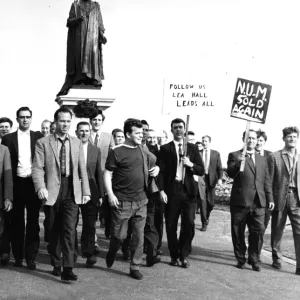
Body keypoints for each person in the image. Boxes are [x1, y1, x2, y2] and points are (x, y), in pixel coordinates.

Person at [32, 106, 90, 281]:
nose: (65, 124)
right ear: (55, 122)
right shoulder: (43, 142)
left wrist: (86, 191)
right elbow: (37, 168)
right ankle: (56, 262)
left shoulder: (77, 142)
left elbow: (82, 169)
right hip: (51, 190)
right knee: (52, 229)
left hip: (71, 190)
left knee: (69, 229)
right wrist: (40, 187)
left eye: (68, 121)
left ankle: (68, 267)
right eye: (62, 121)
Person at [104, 118, 159, 280]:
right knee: (119, 236)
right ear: (128, 134)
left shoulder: (142, 149)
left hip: (142, 200)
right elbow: (107, 174)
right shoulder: (116, 151)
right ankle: (113, 248)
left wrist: (157, 168)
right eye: (137, 133)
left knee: (138, 236)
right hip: (122, 201)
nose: (141, 135)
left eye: (142, 133)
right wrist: (110, 194)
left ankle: (135, 266)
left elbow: (153, 162)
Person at [158, 118, 204, 268]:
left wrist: (190, 164)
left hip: (189, 191)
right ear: (171, 130)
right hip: (173, 190)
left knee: (189, 224)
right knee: (171, 224)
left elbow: (201, 170)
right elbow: (161, 172)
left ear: (184, 130)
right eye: (175, 127)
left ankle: (184, 255)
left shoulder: (192, 148)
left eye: (181, 127)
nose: (178, 130)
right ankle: (173, 255)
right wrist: (162, 190)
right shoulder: (165, 149)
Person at [1, 107, 43, 269]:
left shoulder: (38, 137)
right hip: (16, 183)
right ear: (17, 119)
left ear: (31, 119)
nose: (25, 120)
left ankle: (31, 257)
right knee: (16, 223)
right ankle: (18, 256)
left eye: (28, 117)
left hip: (33, 184)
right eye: (22, 117)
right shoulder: (8, 139)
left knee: (33, 222)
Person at [227, 129, 274, 272]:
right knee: (238, 231)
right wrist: (238, 163)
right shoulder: (235, 155)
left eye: (254, 138)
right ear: (244, 139)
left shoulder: (262, 159)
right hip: (240, 201)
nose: (251, 141)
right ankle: (240, 258)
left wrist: (270, 198)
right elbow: (230, 173)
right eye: (249, 138)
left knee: (258, 230)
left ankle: (253, 259)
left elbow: (266, 180)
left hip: (258, 202)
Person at [267, 126, 300, 275]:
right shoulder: (275, 156)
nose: (292, 139)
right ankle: (277, 259)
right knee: (278, 229)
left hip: (296, 198)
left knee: (298, 232)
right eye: (289, 137)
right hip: (279, 196)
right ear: (284, 139)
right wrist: (270, 199)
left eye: (294, 136)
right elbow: (268, 180)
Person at [57, 0, 107, 96]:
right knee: (79, 57)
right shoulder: (76, 5)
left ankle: (92, 78)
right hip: (79, 37)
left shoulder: (96, 6)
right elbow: (69, 22)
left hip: (93, 38)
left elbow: (100, 24)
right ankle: (79, 78)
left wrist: (101, 34)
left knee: (92, 57)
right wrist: (78, 19)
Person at [75, 122, 104, 267]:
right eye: (81, 131)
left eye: (87, 131)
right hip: (73, 189)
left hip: (92, 190)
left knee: (89, 224)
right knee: (71, 223)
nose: (84, 133)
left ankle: (89, 252)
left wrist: (100, 194)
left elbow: (99, 171)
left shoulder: (96, 150)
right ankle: (72, 252)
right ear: (76, 132)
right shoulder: (71, 147)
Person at [89, 109, 113, 250]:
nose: (96, 122)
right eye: (94, 120)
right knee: (92, 211)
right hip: (90, 178)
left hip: (104, 177)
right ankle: (94, 240)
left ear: (102, 122)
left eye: (99, 120)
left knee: (104, 210)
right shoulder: (84, 136)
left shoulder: (108, 137)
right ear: (90, 121)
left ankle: (107, 232)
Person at [198, 135, 223, 231]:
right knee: (202, 202)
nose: (204, 143)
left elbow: (219, 168)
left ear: (209, 142)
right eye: (203, 141)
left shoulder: (215, 154)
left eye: (206, 141)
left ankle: (207, 216)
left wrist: (220, 179)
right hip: (201, 179)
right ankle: (204, 223)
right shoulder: (198, 153)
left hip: (211, 180)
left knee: (211, 203)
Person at [255, 130, 272, 262]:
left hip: (264, 198)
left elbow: (271, 178)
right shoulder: (246, 155)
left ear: (264, 142)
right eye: (257, 140)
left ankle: (256, 252)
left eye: (261, 141)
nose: (258, 143)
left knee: (262, 227)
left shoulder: (270, 156)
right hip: (249, 198)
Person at [0, 144, 13, 266]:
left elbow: (8, 176)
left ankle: (3, 252)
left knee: (2, 227)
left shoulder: (4, 149)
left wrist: (8, 198)